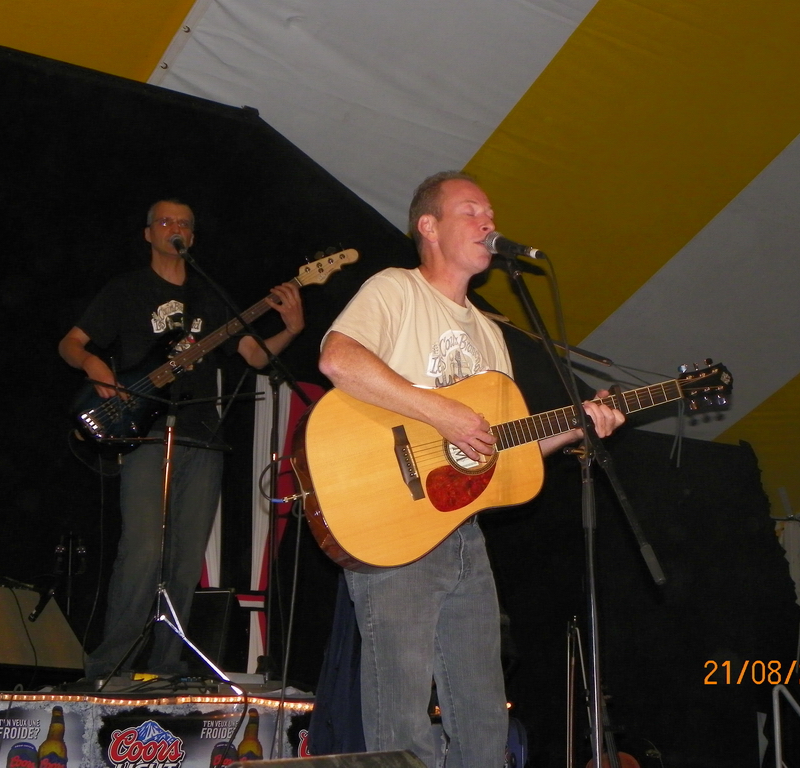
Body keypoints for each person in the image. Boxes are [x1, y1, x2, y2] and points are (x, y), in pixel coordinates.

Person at [317, 172, 625, 767]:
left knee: (484, 716)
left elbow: (500, 451)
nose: (489, 222)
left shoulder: (489, 333)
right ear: (428, 227)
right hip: (395, 523)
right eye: (471, 211)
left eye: (491, 213)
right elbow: (338, 359)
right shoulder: (396, 289)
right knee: (401, 716)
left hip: (464, 532)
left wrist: (577, 425)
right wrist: (442, 412)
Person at [59, 199, 305, 679]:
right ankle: (110, 668)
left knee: (187, 557)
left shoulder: (209, 294)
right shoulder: (127, 289)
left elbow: (255, 356)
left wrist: (292, 328)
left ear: (192, 237)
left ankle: (166, 666)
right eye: (167, 221)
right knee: (143, 550)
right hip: (146, 434)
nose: (177, 228)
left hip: (202, 437)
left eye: (186, 224)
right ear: (149, 233)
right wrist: (93, 364)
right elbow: (70, 342)